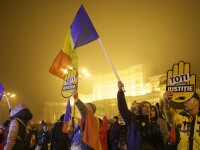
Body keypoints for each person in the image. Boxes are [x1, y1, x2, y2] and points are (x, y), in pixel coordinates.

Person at [117, 81, 164, 150]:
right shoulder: (132, 119)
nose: (148, 108)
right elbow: (122, 108)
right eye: (145, 106)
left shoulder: (154, 126)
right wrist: (120, 92)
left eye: (149, 107)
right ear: (140, 109)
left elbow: (159, 145)